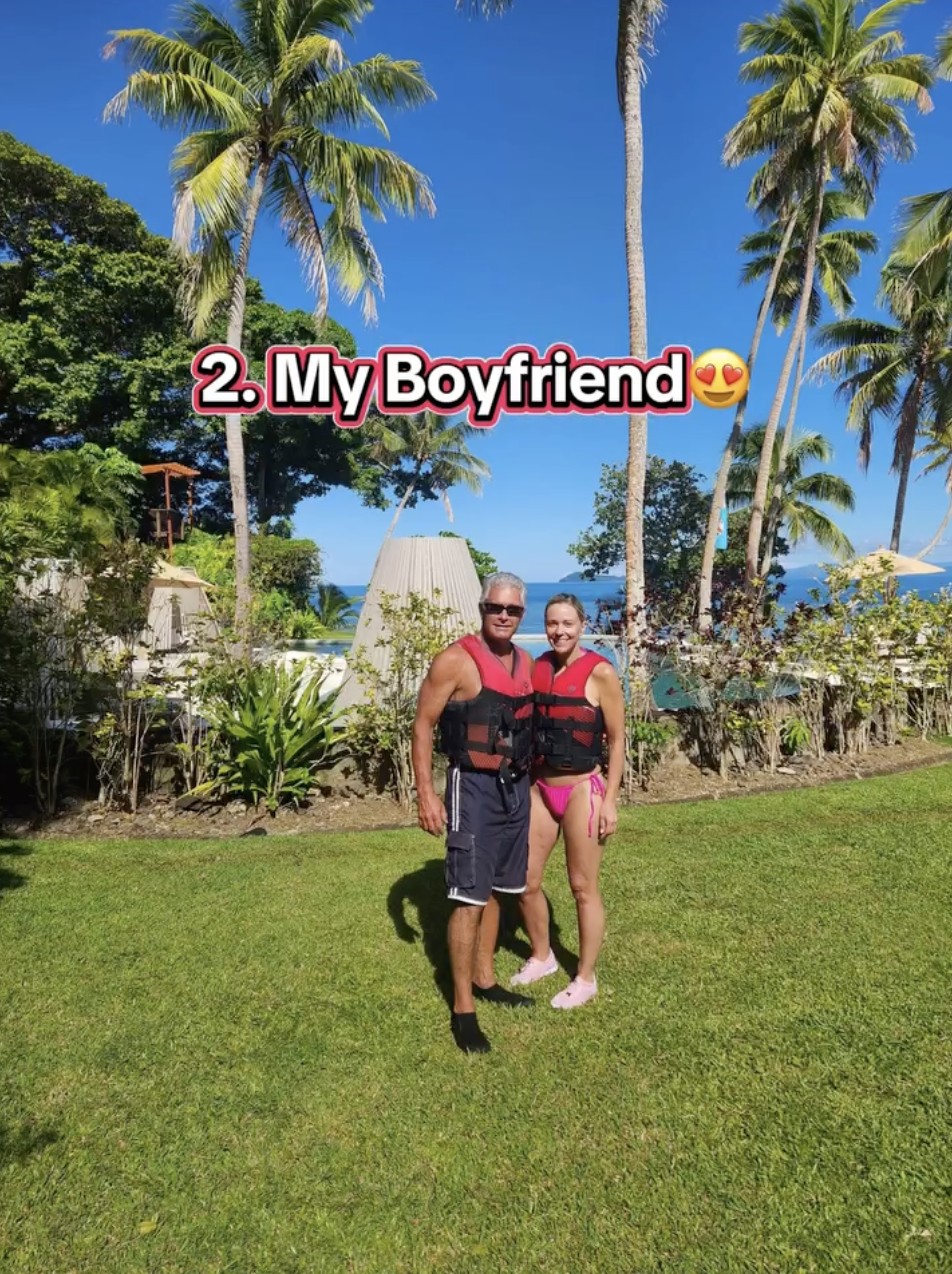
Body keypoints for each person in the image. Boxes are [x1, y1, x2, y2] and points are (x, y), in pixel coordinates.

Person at [412, 572, 537, 1053]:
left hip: (515, 788)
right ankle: (463, 1008)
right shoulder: (455, 661)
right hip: (474, 788)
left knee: (500, 890)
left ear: (521, 614)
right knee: (469, 896)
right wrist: (427, 793)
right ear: (481, 607)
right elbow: (422, 726)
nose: (503, 616)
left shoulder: (523, 661)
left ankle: (485, 978)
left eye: (512, 610)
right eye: (495, 608)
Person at [510, 593, 625, 1008]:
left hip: (582, 789)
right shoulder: (538, 667)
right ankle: (542, 956)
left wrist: (610, 800)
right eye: (552, 624)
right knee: (524, 880)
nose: (559, 631)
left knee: (582, 886)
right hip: (541, 788)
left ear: (582, 625)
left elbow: (616, 741)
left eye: (568, 624)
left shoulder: (601, 673)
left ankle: (586, 977)